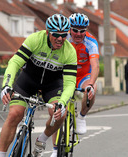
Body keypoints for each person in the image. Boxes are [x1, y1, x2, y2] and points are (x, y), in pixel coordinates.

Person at [0, 14, 77, 157]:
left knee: (59, 115)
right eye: (56, 35)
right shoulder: (35, 39)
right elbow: (15, 62)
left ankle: (42, 139)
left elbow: (70, 83)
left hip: (52, 85)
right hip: (27, 81)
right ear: (47, 32)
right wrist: (6, 85)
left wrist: (62, 103)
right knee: (15, 114)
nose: (60, 39)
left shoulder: (70, 51)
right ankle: (1, 155)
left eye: (64, 35)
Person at [50, 13, 99, 157]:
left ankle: (82, 116)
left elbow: (95, 66)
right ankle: (54, 149)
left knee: (93, 89)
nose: (78, 33)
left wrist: (90, 84)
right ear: (70, 29)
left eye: (82, 30)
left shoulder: (91, 41)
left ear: (86, 30)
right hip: (65, 75)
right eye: (75, 30)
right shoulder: (64, 39)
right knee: (58, 110)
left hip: (84, 76)